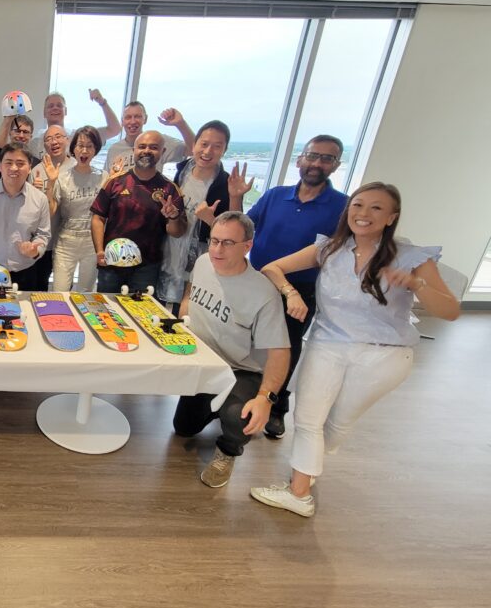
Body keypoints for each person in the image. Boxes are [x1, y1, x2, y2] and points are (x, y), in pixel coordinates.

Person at [251, 183, 460, 517]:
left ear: (392, 217)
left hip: (384, 355)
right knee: (308, 420)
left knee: (336, 424)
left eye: (376, 208)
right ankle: (299, 492)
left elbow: (450, 311)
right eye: (358, 205)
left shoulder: (411, 257)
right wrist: (290, 293)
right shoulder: (330, 248)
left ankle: (307, 471)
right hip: (327, 343)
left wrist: (416, 284)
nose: (364, 214)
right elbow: (272, 268)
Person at [229, 135, 349, 439]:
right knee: (247, 339)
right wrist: (235, 197)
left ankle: (277, 407)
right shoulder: (274, 195)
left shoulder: (343, 206)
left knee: (285, 348)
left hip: (299, 290)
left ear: (335, 165)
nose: (317, 163)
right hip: (257, 282)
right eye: (312, 156)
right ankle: (240, 395)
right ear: (300, 160)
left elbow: (339, 254)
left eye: (326, 158)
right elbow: (244, 227)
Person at [175, 212, 291, 488]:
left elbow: (279, 352)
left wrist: (266, 397)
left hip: (241, 370)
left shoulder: (264, 294)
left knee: (238, 416)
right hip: (204, 360)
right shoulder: (204, 262)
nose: (217, 249)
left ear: (247, 246)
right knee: (184, 428)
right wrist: (183, 319)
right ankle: (215, 407)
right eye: (214, 240)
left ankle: (228, 451)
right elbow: (190, 294)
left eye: (228, 243)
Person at [158, 120, 246, 310]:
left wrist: (212, 220)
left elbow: (236, 232)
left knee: (188, 314)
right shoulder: (181, 173)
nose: (207, 152)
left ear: (225, 150)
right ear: (194, 144)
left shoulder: (227, 183)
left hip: (202, 261)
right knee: (161, 310)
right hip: (170, 253)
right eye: (204, 144)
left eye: (217, 146)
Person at [90, 130, 186, 294]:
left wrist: (174, 217)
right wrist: (99, 250)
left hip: (147, 267)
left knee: (140, 315)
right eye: (142, 146)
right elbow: (98, 218)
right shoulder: (114, 182)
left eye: (153, 147)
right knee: (105, 310)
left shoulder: (170, 189)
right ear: (134, 150)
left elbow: (177, 232)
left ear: (162, 152)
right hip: (111, 262)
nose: (147, 151)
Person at [0, 142, 51, 292]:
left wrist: (35, 251)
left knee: (24, 313)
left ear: (29, 167)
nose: (14, 168)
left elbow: (43, 234)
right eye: (8, 163)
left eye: (20, 163)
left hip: (25, 272)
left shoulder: (40, 199)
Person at [49, 126, 103, 292]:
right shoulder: (63, 178)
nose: (84, 151)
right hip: (66, 241)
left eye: (90, 146)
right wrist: (51, 183)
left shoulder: (103, 177)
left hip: (91, 243)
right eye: (80, 145)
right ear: (73, 148)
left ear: (96, 149)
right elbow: (50, 212)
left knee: (85, 293)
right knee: (60, 291)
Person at [101, 103, 195, 187]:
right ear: (122, 121)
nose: (133, 121)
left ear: (145, 119)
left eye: (137, 116)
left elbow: (193, 150)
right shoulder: (114, 149)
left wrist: (180, 124)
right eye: (128, 117)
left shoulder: (158, 142)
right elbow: (106, 180)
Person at [30, 125, 74, 290]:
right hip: (45, 241)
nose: (54, 142)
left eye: (58, 137)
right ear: (44, 145)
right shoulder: (36, 171)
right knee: (40, 284)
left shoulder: (76, 167)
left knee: (64, 287)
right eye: (48, 139)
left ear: (67, 140)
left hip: (69, 240)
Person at [29, 90, 121, 160]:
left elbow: (114, 129)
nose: (55, 108)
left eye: (59, 105)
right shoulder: (36, 143)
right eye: (50, 106)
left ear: (66, 111)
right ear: (44, 113)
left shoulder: (78, 136)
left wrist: (102, 103)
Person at [0, 114, 36, 182]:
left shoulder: (36, 163)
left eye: (25, 132)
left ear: (31, 136)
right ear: (10, 133)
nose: (21, 135)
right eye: (17, 131)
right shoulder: (1, 156)